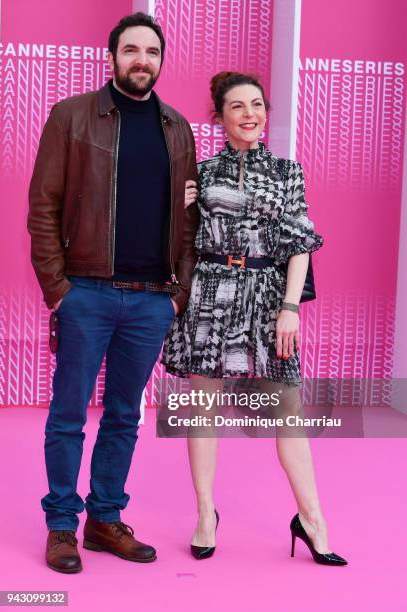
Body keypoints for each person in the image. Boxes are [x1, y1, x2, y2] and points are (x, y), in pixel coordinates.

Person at [27, 12, 199, 573]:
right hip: (87, 294)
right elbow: (43, 206)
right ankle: (61, 526)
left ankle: (103, 519)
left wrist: (177, 294)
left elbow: (190, 221)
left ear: (160, 61)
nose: (141, 60)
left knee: (125, 416)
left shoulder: (177, 127)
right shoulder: (72, 116)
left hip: (152, 299)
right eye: (131, 50)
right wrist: (58, 289)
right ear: (113, 56)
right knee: (69, 414)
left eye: (151, 51)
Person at [162, 71, 348, 566]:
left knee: (289, 412)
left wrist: (290, 308)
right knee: (203, 407)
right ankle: (205, 513)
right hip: (210, 293)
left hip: (267, 297)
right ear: (219, 117)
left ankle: (312, 520)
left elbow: (300, 244)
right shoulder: (200, 172)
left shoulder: (288, 171)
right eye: (238, 106)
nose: (251, 114)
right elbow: (180, 239)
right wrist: (180, 210)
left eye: (258, 104)